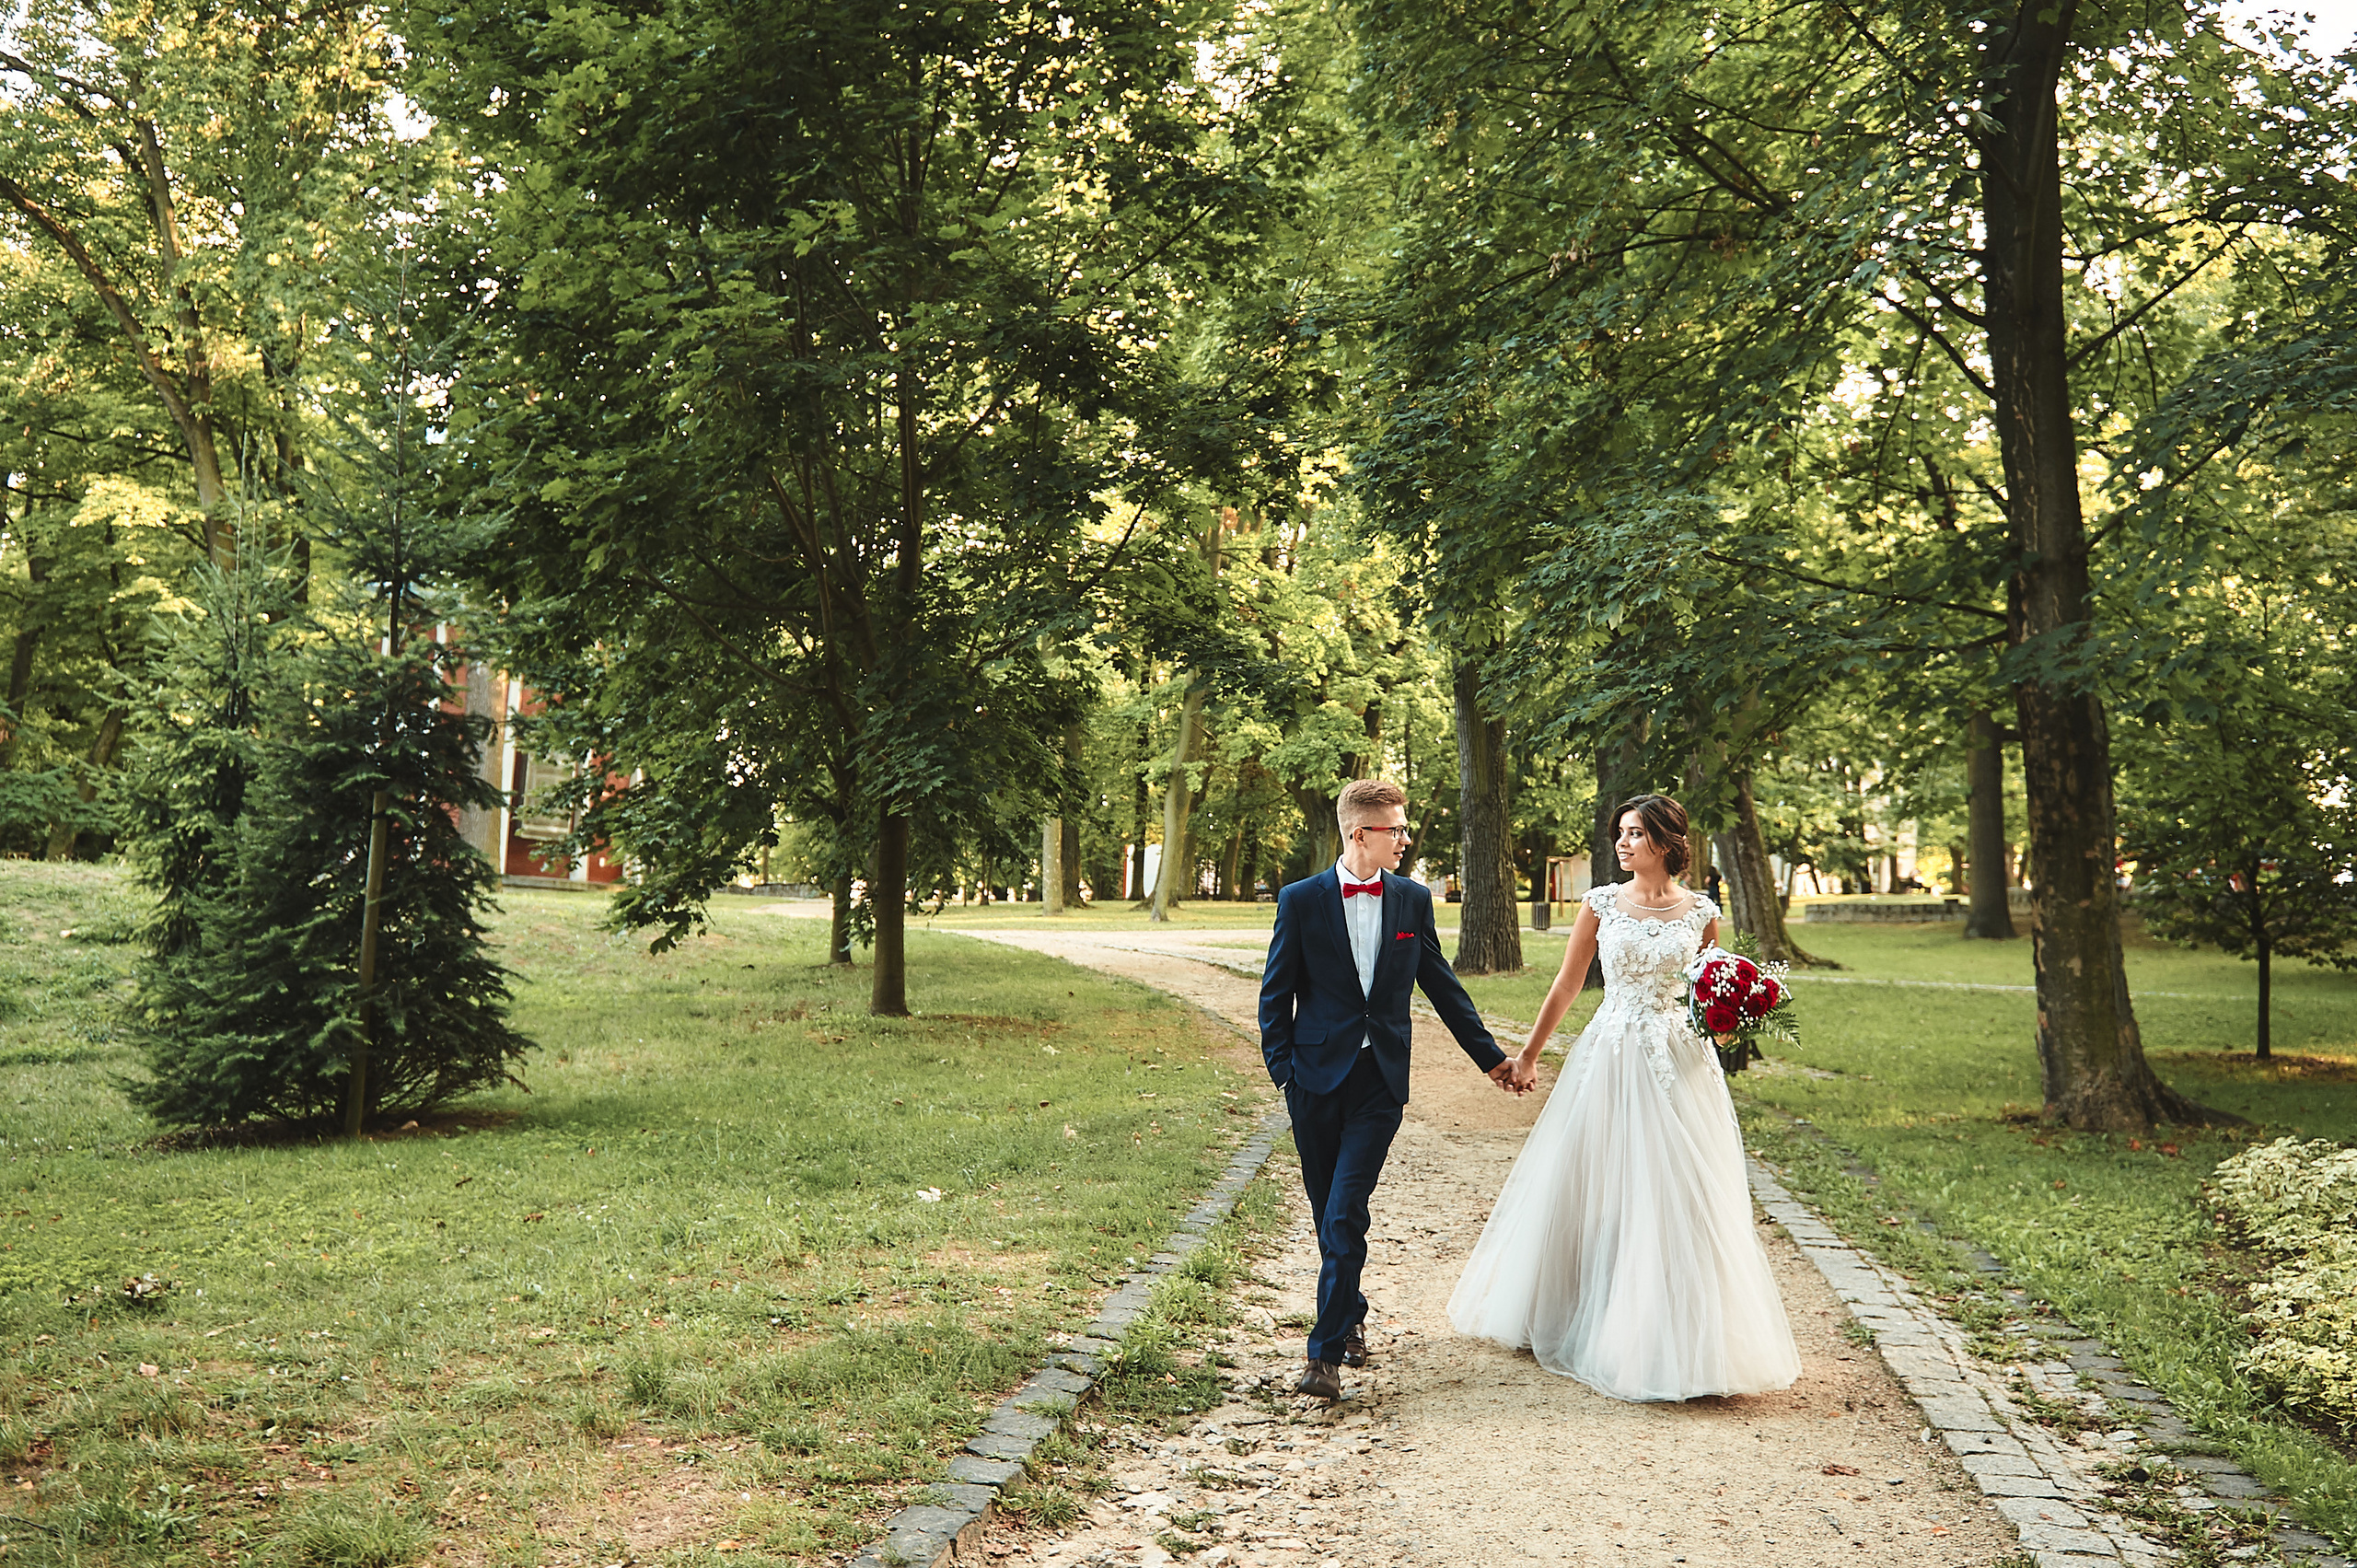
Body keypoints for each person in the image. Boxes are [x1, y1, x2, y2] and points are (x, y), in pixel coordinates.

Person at [1446, 793, 1800, 1401]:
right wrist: (1528, 1055)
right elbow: (1567, 982)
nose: (1622, 842)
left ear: (1665, 842)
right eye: (1621, 832)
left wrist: (1734, 1010)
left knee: (1680, 1189)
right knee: (1598, 1181)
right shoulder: (1600, 903)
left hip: (1681, 1062)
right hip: (1611, 1054)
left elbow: (1707, 994)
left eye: (1635, 833)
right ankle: (1575, 1308)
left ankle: (1683, 1335)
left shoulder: (1701, 913)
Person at [1260, 778, 1527, 1402]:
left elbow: (1441, 985)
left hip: (1380, 1080)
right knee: (1329, 1212)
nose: (1406, 840)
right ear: (1361, 833)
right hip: (1314, 1080)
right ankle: (1349, 1307)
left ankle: (1322, 1355)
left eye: (1405, 828)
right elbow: (1276, 994)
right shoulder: (1301, 900)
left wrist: (1492, 1059)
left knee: (1346, 1208)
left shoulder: (1411, 900)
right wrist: (1284, 1074)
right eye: (1396, 829)